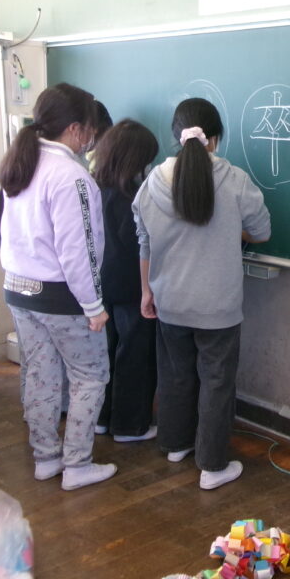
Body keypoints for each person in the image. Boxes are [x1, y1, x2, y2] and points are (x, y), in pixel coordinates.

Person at [133, 97, 271, 490]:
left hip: (169, 301)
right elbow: (262, 231)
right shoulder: (235, 180)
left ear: (176, 135)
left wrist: (146, 291)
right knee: (216, 382)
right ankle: (212, 466)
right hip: (218, 305)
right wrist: (230, 229)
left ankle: (175, 444)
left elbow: (144, 240)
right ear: (215, 138)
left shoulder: (151, 183)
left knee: (175, 376)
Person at [0, 82, 116, 491]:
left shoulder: (21, 163)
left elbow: (7, 234)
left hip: (18, 288)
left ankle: (46, 458)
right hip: (60, 296)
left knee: (41, 374)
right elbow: (79, 250)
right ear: (76, 129)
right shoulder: (71, 176)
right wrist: (94, 306)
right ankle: (78, 464)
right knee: (90, 376)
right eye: (90, 130)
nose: (92, 138)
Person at [92, 119, 160, 441]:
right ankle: (129, 426)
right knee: (134, 355)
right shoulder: (131, 196)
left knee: (105, 354)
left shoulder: (95, 188)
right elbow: (140, 246)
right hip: (132, 287)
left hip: (99, 286)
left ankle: (102, 418)